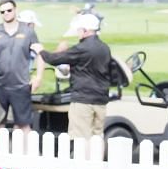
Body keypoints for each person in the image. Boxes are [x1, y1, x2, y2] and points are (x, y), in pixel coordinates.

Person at [34, 12, 120, 140]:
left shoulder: (81, 48)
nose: (78, 33)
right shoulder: (105, 48)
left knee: (80, 138)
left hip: (83, 100)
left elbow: (53, 59)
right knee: (97, 137)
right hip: (101, 100)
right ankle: (97, 160)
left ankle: (83, 160)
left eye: (79, 30)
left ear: (85, 30)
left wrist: (40, 50)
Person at [0, 0, 41, 130]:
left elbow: (40, 54)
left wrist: (38, 77)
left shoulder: (28, 32)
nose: (6, 14)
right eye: (2, 12)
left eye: (9, 10)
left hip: (20, 84)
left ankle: (23, 151)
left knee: (23, 124)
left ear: (15, 10)